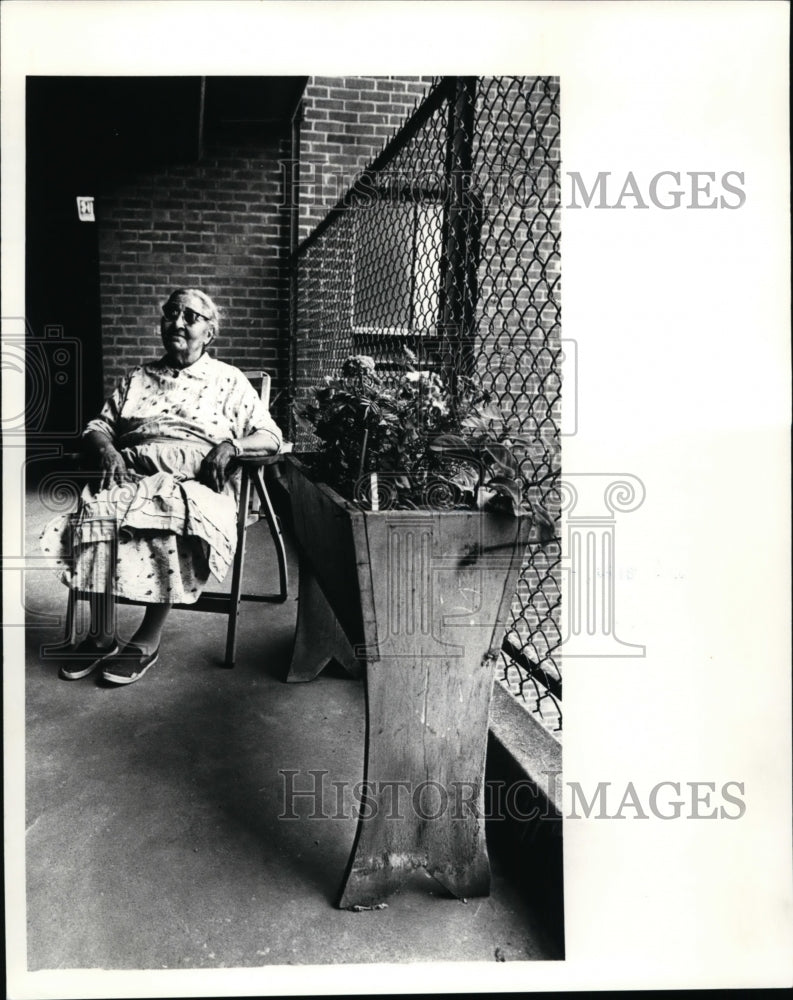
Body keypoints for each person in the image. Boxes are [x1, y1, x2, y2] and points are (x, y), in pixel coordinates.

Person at [40, 288, 283, 685]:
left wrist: (231, 445)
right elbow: (98, 427)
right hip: (131, 470)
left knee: (166, 517)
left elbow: (270, 436)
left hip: (195, 479)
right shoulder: (137, 377)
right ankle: (101, 636)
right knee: (100, 514)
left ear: (210, 333)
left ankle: (146, 640)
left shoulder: (228, 380)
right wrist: (106, 451)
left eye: (191, 316)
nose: (179, 322)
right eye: (172, 313)